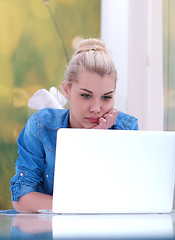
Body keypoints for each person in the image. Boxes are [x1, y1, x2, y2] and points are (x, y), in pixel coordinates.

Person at [9, 38, 138, 213]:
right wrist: (85, 209)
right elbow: (22, 198)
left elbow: (129, 198)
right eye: (86, 96)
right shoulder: (42, 127)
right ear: (67, 90)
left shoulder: (125, 129)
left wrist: (99, 139)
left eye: (107, 97)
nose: (96, 108)